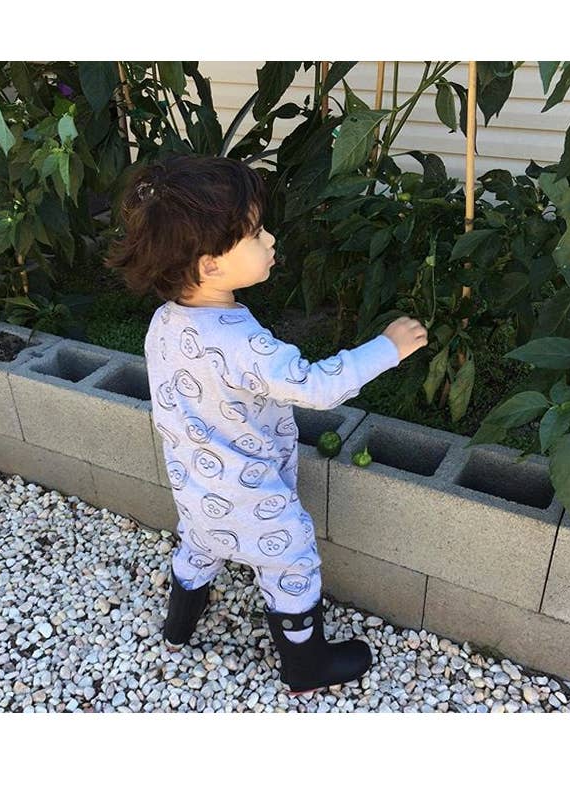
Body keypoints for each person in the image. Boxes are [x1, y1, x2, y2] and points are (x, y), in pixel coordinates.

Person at [104, 153, 428, 696]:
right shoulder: (242, 343)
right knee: (291, 561)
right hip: (255, 498)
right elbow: (315, 386)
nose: (270, 240)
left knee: (198, 546)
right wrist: (387, 348)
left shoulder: (164, 322)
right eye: (255, 234)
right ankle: (306, 666)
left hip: (194, 486)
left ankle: (178, 628)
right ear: (210, 265)